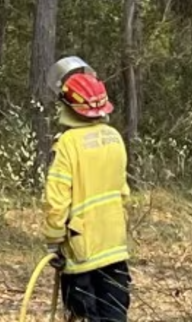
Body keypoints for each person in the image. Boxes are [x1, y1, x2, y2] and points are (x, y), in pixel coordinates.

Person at [43, 64, 131, 322]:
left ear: (68, 108)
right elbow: (122, 192)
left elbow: (57, 200)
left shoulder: (67, 144)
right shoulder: (115, 138)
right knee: (114, 315)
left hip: (82, 251)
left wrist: (53, 239)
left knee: (83, 315)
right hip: (114, 245)